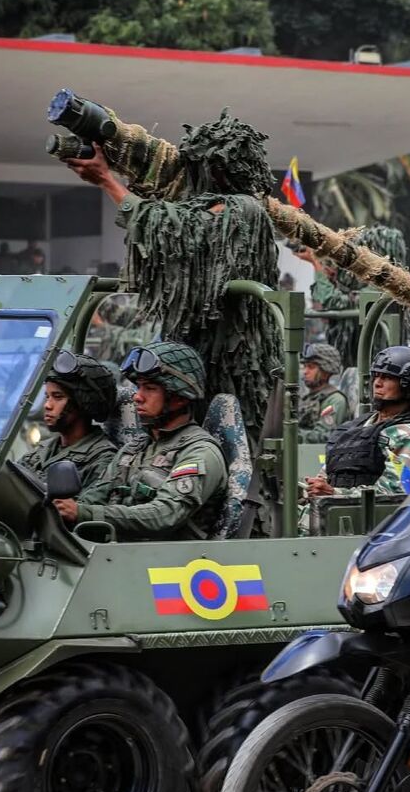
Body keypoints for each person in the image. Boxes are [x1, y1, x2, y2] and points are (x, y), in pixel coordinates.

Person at [65, 109, 280, 440]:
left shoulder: (245, 209)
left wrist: (108, 181)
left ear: (222, 169)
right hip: (194, 349)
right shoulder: (207, 205)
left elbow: (173, 231)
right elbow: (173, 218)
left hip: (231, 360)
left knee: (228, 431)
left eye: (198, 165)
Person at [54, 341, 227, 541]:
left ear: (179, 398)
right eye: (139, 387)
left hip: (169, 564)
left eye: (150, 388)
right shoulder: (135, 448)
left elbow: (165, 515)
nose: (137, 397)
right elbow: (95, 495)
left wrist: (83, 513)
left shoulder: (200, 453)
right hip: (119, 556)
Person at [303, 347, 410, 523]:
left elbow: (395, 496)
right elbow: (326, 477)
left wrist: (334, 494)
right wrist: (315, 489)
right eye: (376, 375)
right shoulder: (355, 428)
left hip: (372, 534)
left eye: (388, 377)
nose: (377, 383)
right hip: (326, 526)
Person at [19, 351, 117, 489]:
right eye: (47, 397)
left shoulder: (102, 459)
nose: (47, 405)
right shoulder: (42, 451)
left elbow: (78, 508)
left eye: (58, 397)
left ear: (82, 403)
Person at [298, 343, 349, 444]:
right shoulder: (307, 398)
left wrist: (291, 435)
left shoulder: (335, 400)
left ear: (325, 372)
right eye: (305, 366)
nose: (305, 371)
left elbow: (323, 437)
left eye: (311, 367)